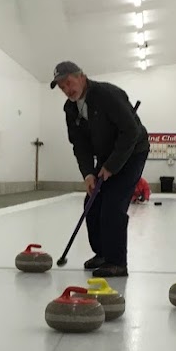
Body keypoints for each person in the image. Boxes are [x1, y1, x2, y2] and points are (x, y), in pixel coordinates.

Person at [51, 60, 150, 278]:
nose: (67, 89)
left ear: (81, 76)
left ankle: (117, 262)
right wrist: (88, 173)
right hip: (106, 155)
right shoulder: (70, 108)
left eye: (69, 82)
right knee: (92, 203)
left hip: (132, 151)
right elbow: (79, 145)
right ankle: (103, 254)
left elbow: (131, 132)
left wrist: (112, 166)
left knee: (113, 204)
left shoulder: (108, 95)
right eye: (62, 87)